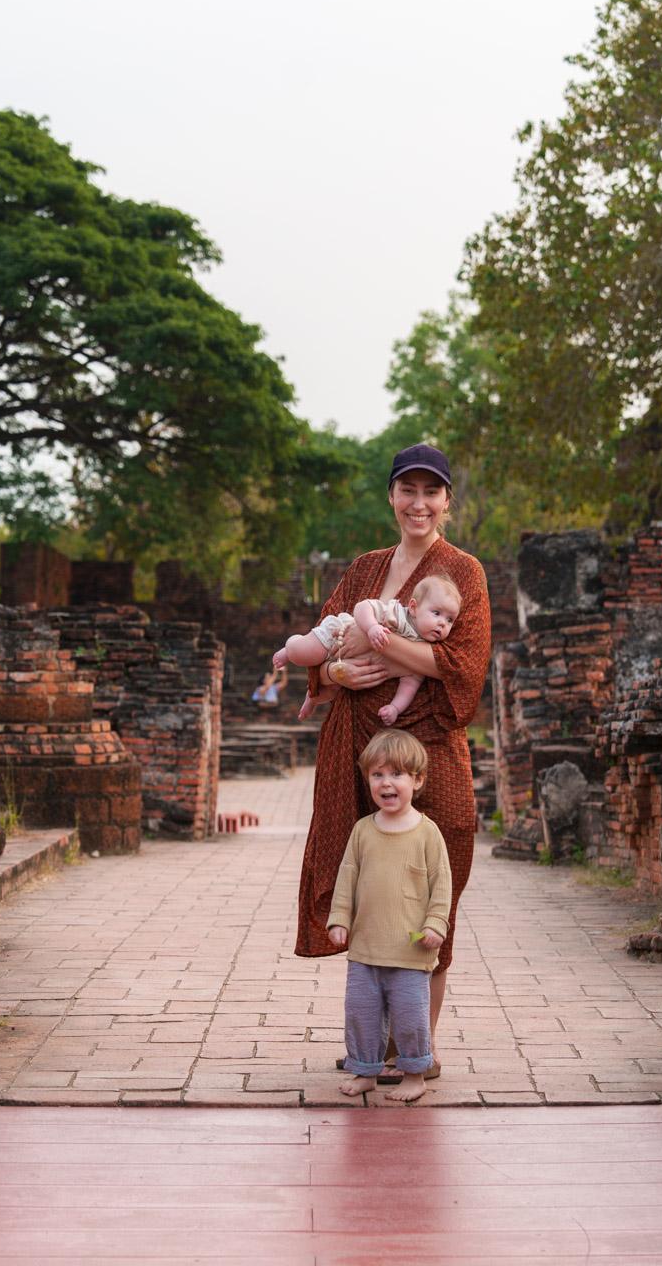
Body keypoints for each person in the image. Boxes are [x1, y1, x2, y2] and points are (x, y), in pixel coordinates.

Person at [295, 442, 491, 1084]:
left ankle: (417, 1047)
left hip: (432, 751)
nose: (419, 503)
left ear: (446, 502)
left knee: (433, 891)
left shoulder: (463, 574)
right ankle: (371, 1044)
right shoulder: (364, 569)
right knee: (372, 895)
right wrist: (341, 671)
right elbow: (323, 649)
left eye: (431, 492)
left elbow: (460, 668)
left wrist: (384, 646)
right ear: (391, 496)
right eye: (407, 490)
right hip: (359, 751)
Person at [327, 729, 451, 1103]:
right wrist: (340, 919)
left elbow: (441, 886)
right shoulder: (363, 830)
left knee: (410, 1018)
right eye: (377, 775)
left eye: (396, 774)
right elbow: (347, 874)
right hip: (365, 948)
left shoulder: (428, 834)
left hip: (410, 952)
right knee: (361, 1014)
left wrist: (435, 925)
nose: (386, 783)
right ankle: (365, 1071)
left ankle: (415, 1074)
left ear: (417, 780)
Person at [272, 573, 462, 723]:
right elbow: (363, 607)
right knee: (303, 654)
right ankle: (290, 646)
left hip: (351, 665)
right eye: (436, 613)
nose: (442, 623)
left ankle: (312, 699)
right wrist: (371, 627)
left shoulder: (425, 650)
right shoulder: (397, 615)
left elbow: (409, 686)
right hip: (338, 636)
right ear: (413, 607)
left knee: (330, 691)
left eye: (449, 620)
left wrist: (395, 708)